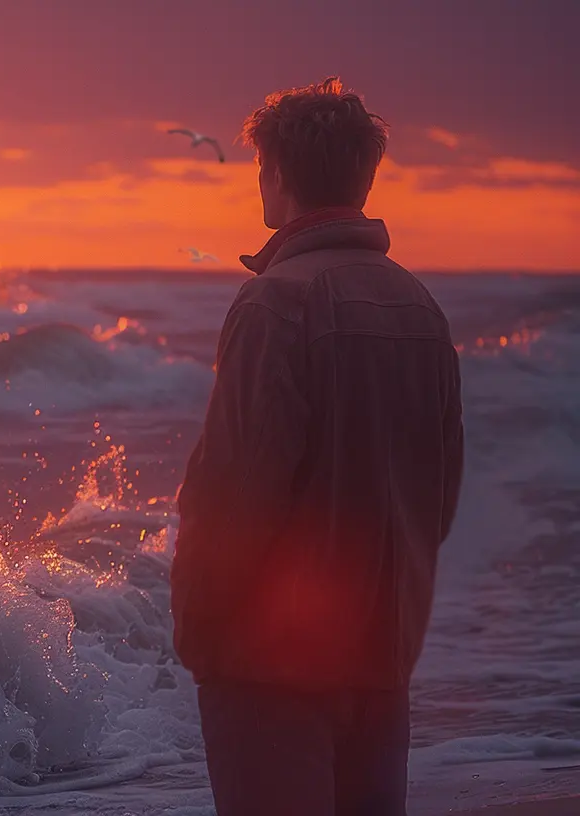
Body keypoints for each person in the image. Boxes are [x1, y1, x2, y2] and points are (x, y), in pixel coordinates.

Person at [170, 76, 465, 815]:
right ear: (362, 177)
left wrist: (200, 631)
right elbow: (441, 488)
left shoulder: (277, 302)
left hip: (272, 665)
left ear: (277, 175)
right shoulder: (418, 304)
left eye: (260, 169)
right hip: (381, 653)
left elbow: (238, 488)